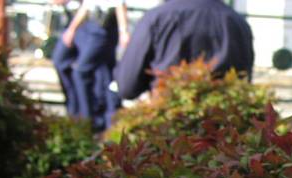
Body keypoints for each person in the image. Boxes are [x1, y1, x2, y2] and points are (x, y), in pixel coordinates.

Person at [114, 0, 254, 101]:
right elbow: (244, 82)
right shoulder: (237, 22)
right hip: (225, 122)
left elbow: (127, 86)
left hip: (167, 120)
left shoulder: (156, 18)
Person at [51, 0, 129, 131]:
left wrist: (124, 31)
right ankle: (92, 118)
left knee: (83, 73)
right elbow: (86, 6)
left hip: (102, 28)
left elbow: (119, 4)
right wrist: (72, 29)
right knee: (104, 75)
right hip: (91, 26)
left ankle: (88, 119)